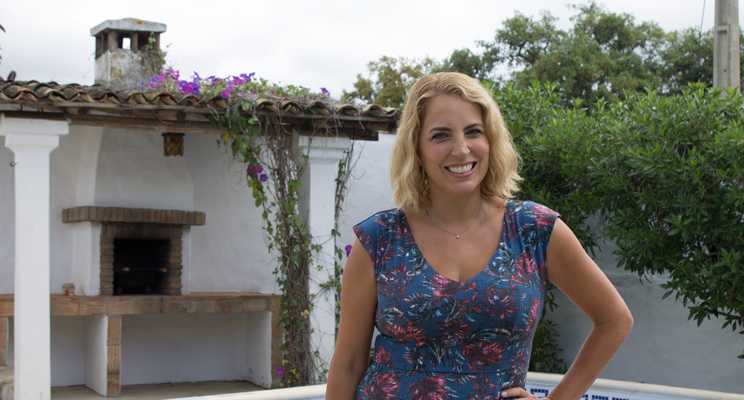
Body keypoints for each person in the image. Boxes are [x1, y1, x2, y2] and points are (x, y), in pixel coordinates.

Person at [326, 72, 633, 400]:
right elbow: (348, 364)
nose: (461, 149)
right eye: (441, 135)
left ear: (491, 140)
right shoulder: (380, 239)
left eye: (474, 131)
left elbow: (614, 319)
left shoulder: (533, 231)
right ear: (416, 148)